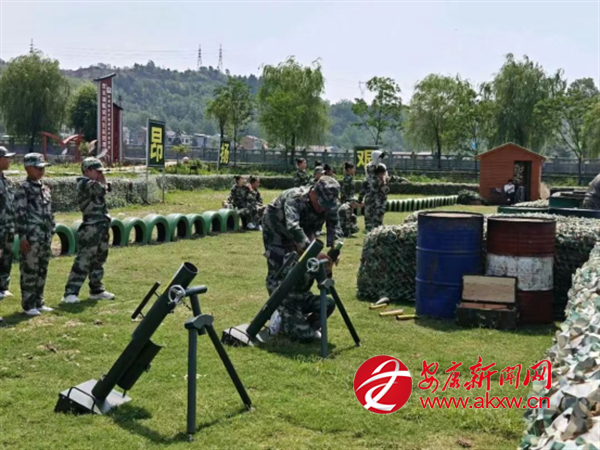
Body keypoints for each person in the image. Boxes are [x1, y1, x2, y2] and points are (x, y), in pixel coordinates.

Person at [262, 176, 344, 342]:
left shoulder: (330, 202)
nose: (323, 208)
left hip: (306, 228)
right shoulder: (295, 198)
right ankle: (279, 306)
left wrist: (334, 251)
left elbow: (335, 228)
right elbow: (293, 227)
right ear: (313, 193)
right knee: (282, 264)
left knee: (307, 266)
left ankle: (299, 309)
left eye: (326, 205)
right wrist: (312, 251)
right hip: (277, 230)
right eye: (320, 203)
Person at [62, 157, 115, 304]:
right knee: (83, 260)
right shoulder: (84, 183)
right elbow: (103, 188)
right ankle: (70, 292)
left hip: (101, 226)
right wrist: (103, 180)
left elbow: (106, 188)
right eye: (97, 171)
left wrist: (101, 178)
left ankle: (96, 290)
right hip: (91, 227)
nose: (100, 174)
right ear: (87, 170)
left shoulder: (94, 183)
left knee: (99, 260)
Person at [14, 153, 55, 317]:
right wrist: (23, 237)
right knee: (29, 270)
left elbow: (49, 212)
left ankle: (39, 301)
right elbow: (20, 213)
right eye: (38, 168)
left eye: (43, 168)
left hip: (44, 236)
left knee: (42, 269)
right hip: (31, 237)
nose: (41, 171)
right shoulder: (24, 188)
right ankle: (28, 304)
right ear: (28, 168)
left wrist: (52, 230)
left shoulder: (45, 188)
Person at [0, 146, 16, 321]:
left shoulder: (6, 180)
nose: (9, 160)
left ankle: (3, 287)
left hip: (8, 228)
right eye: (6, 157)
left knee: (6, 259)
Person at [360, 165, 389, 232]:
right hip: (378, 204)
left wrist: (360, 200)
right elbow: (385, 190)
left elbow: (362, 192)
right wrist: (384, 182)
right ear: (380, 173)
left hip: (368, 203)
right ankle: (376, 231)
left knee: (368, 219)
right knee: (377, 220)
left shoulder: (367, 179)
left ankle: (368, 230)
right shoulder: (380, 181)